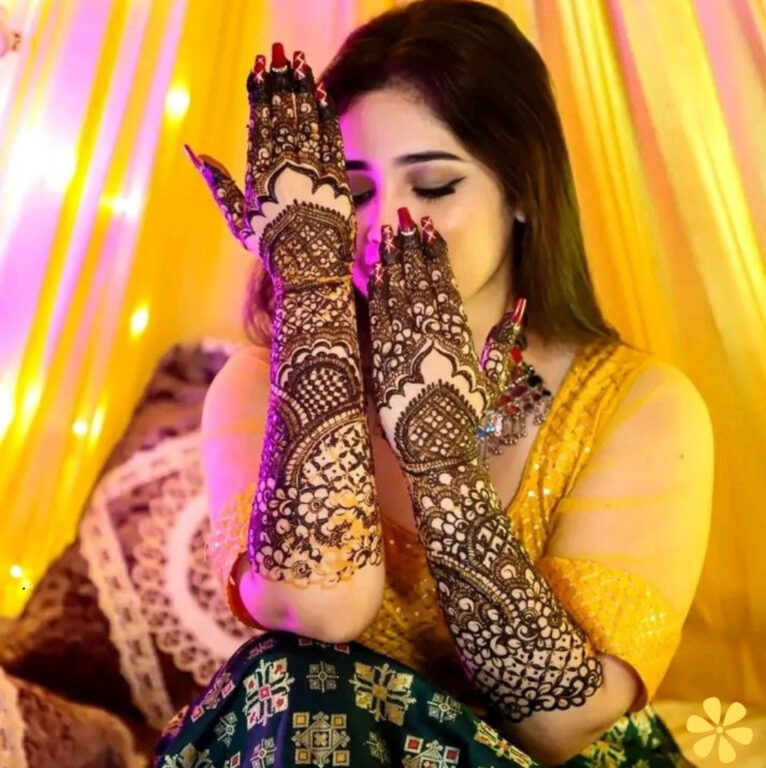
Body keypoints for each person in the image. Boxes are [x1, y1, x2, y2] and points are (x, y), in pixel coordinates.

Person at [158, 1, 714, 765]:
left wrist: (442, 460)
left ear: (521, 193)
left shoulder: (641, 407)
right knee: (298, 678)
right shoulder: (258, 385)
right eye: (350, 193)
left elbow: (559, 724)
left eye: (437, 185)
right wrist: (315, 291)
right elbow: (323, 606)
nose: (389, 224)